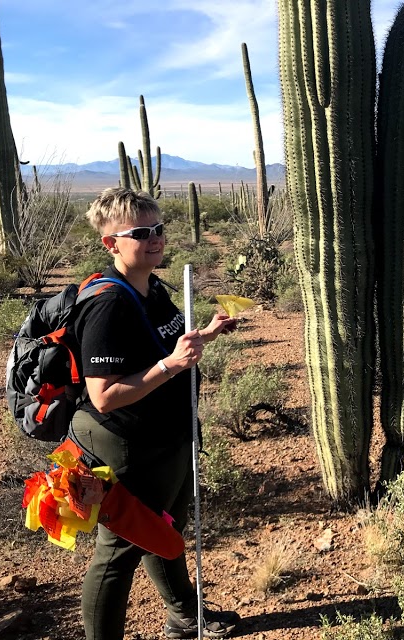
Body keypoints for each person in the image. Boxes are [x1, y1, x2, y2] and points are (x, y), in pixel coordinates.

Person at [69, 187, 240, 640]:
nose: (155, 239)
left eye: (159, 229)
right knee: (120, 548)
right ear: (111, 243)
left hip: (168, 435)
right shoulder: (108, 303)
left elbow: (164, 347)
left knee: (166, 529)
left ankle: (185, 616)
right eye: (141, 232)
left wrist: (205, 333)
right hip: (127, 443)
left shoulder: (151, 287)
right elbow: (103, 395)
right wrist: (171, 365)